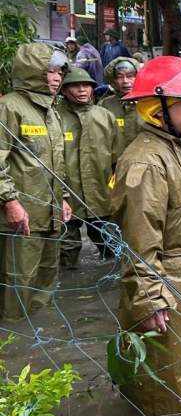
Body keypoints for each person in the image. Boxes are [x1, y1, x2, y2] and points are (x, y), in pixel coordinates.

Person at [110, 55, 181, 416]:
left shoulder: (175, 149)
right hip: (167, 289)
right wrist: (149, 300)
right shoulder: (146, 161)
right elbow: (139, 243)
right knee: (161, 392)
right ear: (157, 109)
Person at [0, 43, 73, 321]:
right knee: (17, 280)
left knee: (45, 278)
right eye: (50, 71)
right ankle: (13, 331)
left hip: (50, 213)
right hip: (22, 214)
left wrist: (62, 197)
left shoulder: (51, 110)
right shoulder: (9, 107)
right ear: (33, 71)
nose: (57, 77)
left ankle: (38, 335)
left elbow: (53, 159)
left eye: (60, 72)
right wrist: (10, 202)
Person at [56, 68, 121, 268]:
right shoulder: (55, 117)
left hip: (102, 194)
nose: (82, 90)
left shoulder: (105, 116)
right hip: (67, 196)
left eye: (86, 86)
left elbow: (118, 160)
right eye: (76, 86)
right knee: (64, 252)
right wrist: (60, 194)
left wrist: (113, 189)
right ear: (64, 90)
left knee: (113, 249)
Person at [100, 57, 143, 150]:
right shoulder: (105, 105)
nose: (125, 81)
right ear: (113, 80)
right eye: (120, 77)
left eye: (130, 76)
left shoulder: (151, 103)